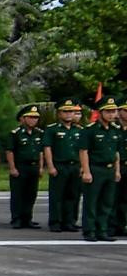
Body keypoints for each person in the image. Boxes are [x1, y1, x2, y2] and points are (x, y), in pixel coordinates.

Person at [79, 99, 122, 242]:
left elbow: (116, 152)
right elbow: (83, 151)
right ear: (100, 112)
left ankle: (102, 230)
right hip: (95, 168)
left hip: (110, 169)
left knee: (107, 202)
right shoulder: (90, 130)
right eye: (108, 111)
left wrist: (117, 171)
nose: (111, 115)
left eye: (114, 111)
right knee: (91, 202)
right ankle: (90, 230)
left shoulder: (115, 130)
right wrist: (86, 171)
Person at [44, 100, 85, 233]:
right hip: (60, 165)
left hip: (75, 166)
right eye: (65, 111)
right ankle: (56, 222)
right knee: (57, 196)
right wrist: (50, 166)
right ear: (59, 113)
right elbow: (47, 148)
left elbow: (82, 150)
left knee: (73, 195)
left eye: (71, 111)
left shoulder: (79, 130)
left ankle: (70, 221)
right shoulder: (52, 129)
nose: (68, 114)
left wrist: (83, 166)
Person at [5, 103, 46, 229]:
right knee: (18, 194)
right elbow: (10, 151)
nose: (33, 120)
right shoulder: (15, 133)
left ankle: (27, 218)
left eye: (35, 118)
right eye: (30, 117)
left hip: (33, 166)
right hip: (20, 166)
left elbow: (40, 151)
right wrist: (12, 168)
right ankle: (17, 219)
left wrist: (40, 167)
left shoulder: (39, 133)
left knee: (31, 194)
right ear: (22, 119)